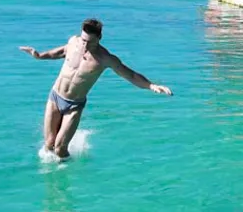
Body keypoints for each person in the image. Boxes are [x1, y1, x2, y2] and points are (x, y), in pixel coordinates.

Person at [19, 18, 171, 160]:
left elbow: (130, 75)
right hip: (55, 98)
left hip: (74, 105)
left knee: (59, 148)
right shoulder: (73, 42)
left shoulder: (105, 59)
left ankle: (65, 175)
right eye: (83, 40)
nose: (84, 45)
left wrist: (151, 85)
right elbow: (59, 52)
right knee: (49, 145)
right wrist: (39, 55)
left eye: (89, 42)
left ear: (99, 39)